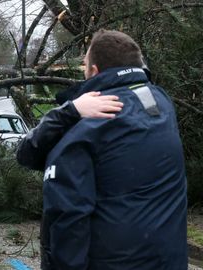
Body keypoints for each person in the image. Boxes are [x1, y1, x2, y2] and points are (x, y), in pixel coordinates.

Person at [21, 29, 187, 269]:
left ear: (95, 72)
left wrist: (70, 110)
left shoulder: (82, 131)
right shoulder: (160, 104)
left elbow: (66, 219)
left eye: (85, 65)